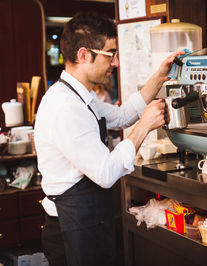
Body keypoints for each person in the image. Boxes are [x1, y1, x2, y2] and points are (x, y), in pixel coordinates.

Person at [34, 12, 184, 266]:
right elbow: (105, 173)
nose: (115, 63)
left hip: (87, 221)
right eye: (109, 54)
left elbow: (123, 115)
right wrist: (145, 126)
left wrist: (160, 75)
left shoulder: (79, 96)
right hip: (72, 231)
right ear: (84, 55)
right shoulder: (65, 107)